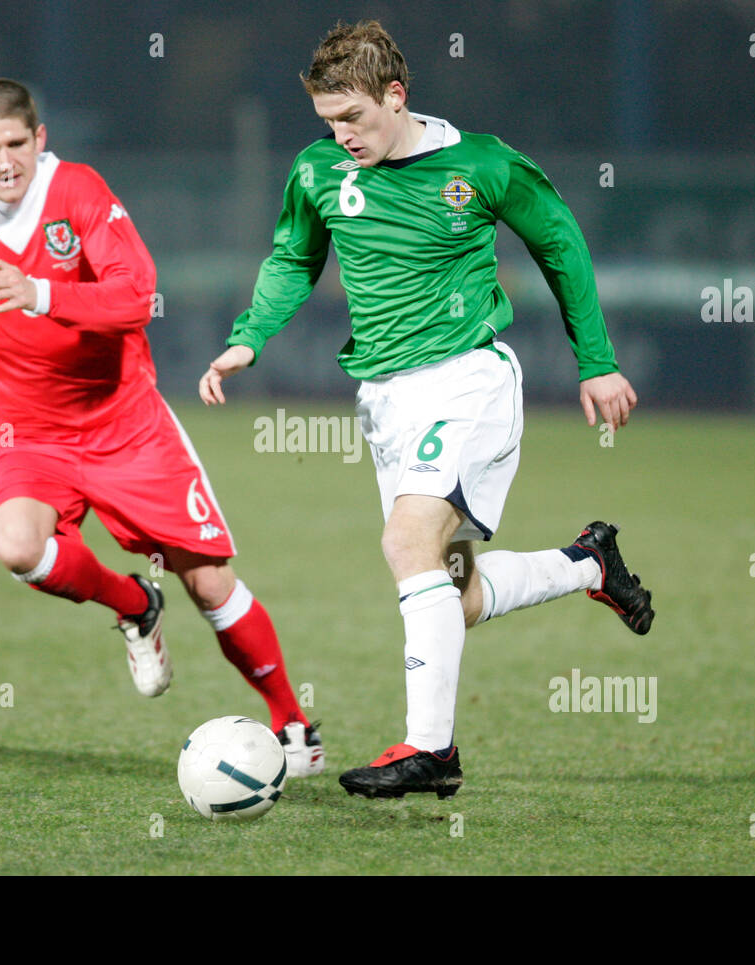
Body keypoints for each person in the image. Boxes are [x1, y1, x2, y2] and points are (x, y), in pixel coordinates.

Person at [200, 22, 653, 798]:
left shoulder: (479, 163)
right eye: (328, 122)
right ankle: (589, 562)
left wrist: (598, 360)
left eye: (354, 119)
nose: (341, 137)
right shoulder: (317, 172)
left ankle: (432, 751)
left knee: (407, 540)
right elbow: (293, 259)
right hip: (384, 401)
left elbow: (561, 244)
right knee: (454, 591)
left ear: (396, 96)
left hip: (467, 378)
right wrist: (249, 339)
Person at [0, 78, 324, 776]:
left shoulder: (79, 193)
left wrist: (41, 293)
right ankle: (133, 603)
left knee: (209, 584)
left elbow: (138, 293)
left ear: (40, 139)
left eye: (18, 144)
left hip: (126, 426)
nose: (6, 162)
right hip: (31, 435)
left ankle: (292, 722)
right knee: (16, 545)